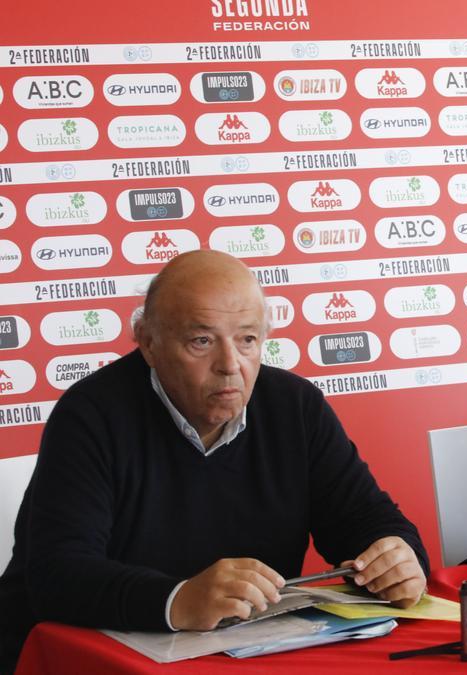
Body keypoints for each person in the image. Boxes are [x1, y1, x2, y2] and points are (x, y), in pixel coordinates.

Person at [0, 250, 428, 672]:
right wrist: (178, 598)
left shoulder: (295, 407)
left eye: (247, 339)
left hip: (239, 654)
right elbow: (57, 576)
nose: (230, 366)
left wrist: (398, 556)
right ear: (148, 342)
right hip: (81, 657)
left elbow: (368, 521)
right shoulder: (91, 414)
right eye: (201, 341)